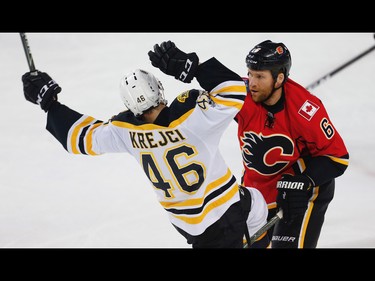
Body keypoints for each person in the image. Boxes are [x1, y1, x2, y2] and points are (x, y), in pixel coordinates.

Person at [21, 40, 269, 248]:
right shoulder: (191, 114)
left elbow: (80, 137)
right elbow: (236, 91)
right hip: (225, 214)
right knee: (257, 206)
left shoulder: (125, 130)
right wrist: (194, 67)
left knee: (254, 201)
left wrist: (50, 104)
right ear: (158, 90)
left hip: (188, 225)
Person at [234, 40, 349, 248]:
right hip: (260, 189)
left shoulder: (306, 109)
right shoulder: (242, 95)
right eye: (250, 73)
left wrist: (304, 181)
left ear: (279, 78)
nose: (252, 82)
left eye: (260, 76)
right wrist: (193, 67)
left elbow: (337, 158)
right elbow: (215, 88)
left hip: (299, 192)